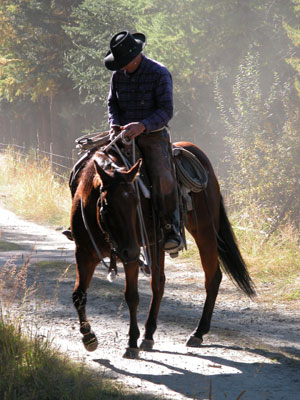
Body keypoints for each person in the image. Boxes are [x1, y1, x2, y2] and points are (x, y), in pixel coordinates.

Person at [104, 31, 183, 254]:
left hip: (152, 135)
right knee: (96, 166)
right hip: (123, 136)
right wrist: (114, 124)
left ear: (135, 57)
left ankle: (169, 228)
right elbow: (113, 104)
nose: (120, 67)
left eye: (122, 63)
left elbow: (166, 110)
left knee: (162, 175)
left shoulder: (159, 73)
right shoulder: (118, 76)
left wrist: (143, 125)